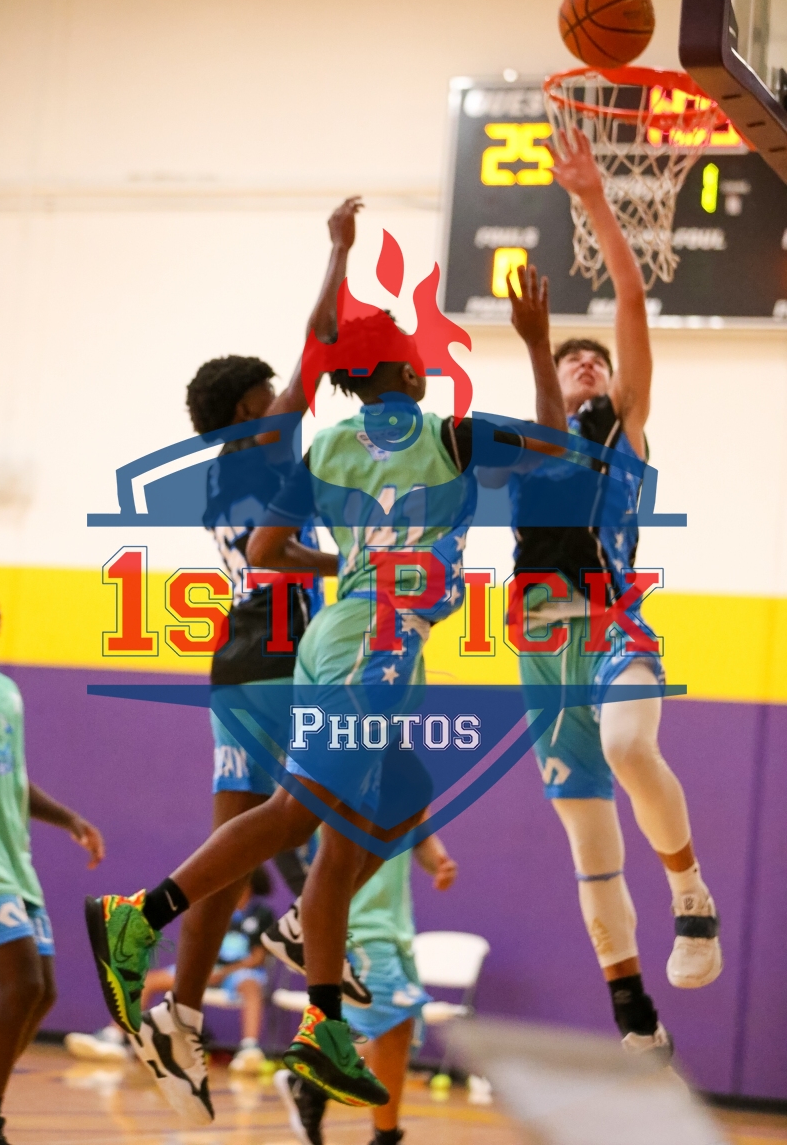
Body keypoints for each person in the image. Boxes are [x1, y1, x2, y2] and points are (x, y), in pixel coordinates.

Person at [85, 262, 567, 1109]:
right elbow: (558, 448)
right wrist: (536, 343)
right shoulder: (451, 437)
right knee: (299, 815)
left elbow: (267, 550)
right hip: (365, 650)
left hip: (343, 638)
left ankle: (320, 1019)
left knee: (382, 806)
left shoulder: (329, 446)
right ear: (409, 370)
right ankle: (143, 916)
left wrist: (351, 562)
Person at [115, 197, 364, 1126]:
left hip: (237, 661)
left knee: (230, 855)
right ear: (243, 412)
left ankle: (178, 1016)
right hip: (282, 649)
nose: (285, 405)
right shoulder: (258, 447)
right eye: (269, 400)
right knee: (376, 798)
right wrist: (336, 254)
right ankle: (303, 934)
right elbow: (318, 345)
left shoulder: (224, 472)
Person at [508, 130, 721, 1055]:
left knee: (630, 745)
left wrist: (593, 198)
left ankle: (690, 892)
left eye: (597, 361)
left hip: (613, 622)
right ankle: (635, 1021)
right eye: (573, 360)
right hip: (537, 644)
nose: (587, 363)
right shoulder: (528, 446)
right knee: (588, 841)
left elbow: (631, 298)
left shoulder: (624, 429)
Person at [0, 575, 104, 1145]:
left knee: (42, 991)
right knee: (21, 981)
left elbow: (13, 777)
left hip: (16, 860)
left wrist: (69, 818)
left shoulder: (6, 691)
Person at [276, 832, 458, 1145]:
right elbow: (283, 831)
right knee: (396, 1021)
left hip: (396, 925)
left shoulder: (410, 799)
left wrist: (438, 862)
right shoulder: (334, 798)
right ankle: (320, 1087)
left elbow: (419, 832)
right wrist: (309, 893)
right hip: (354, 921)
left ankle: (314, 1086)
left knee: (397, 1034)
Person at [65, 866, 276, 1073]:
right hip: (206, 968)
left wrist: (223, 973)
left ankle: (249, 1048)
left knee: (252, 987)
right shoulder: (214, 907)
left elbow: (257, 958)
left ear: (248, 882)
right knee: (147, 980)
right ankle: (113, 1036)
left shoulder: (262, 913)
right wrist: (204, 969)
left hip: (237, 973)